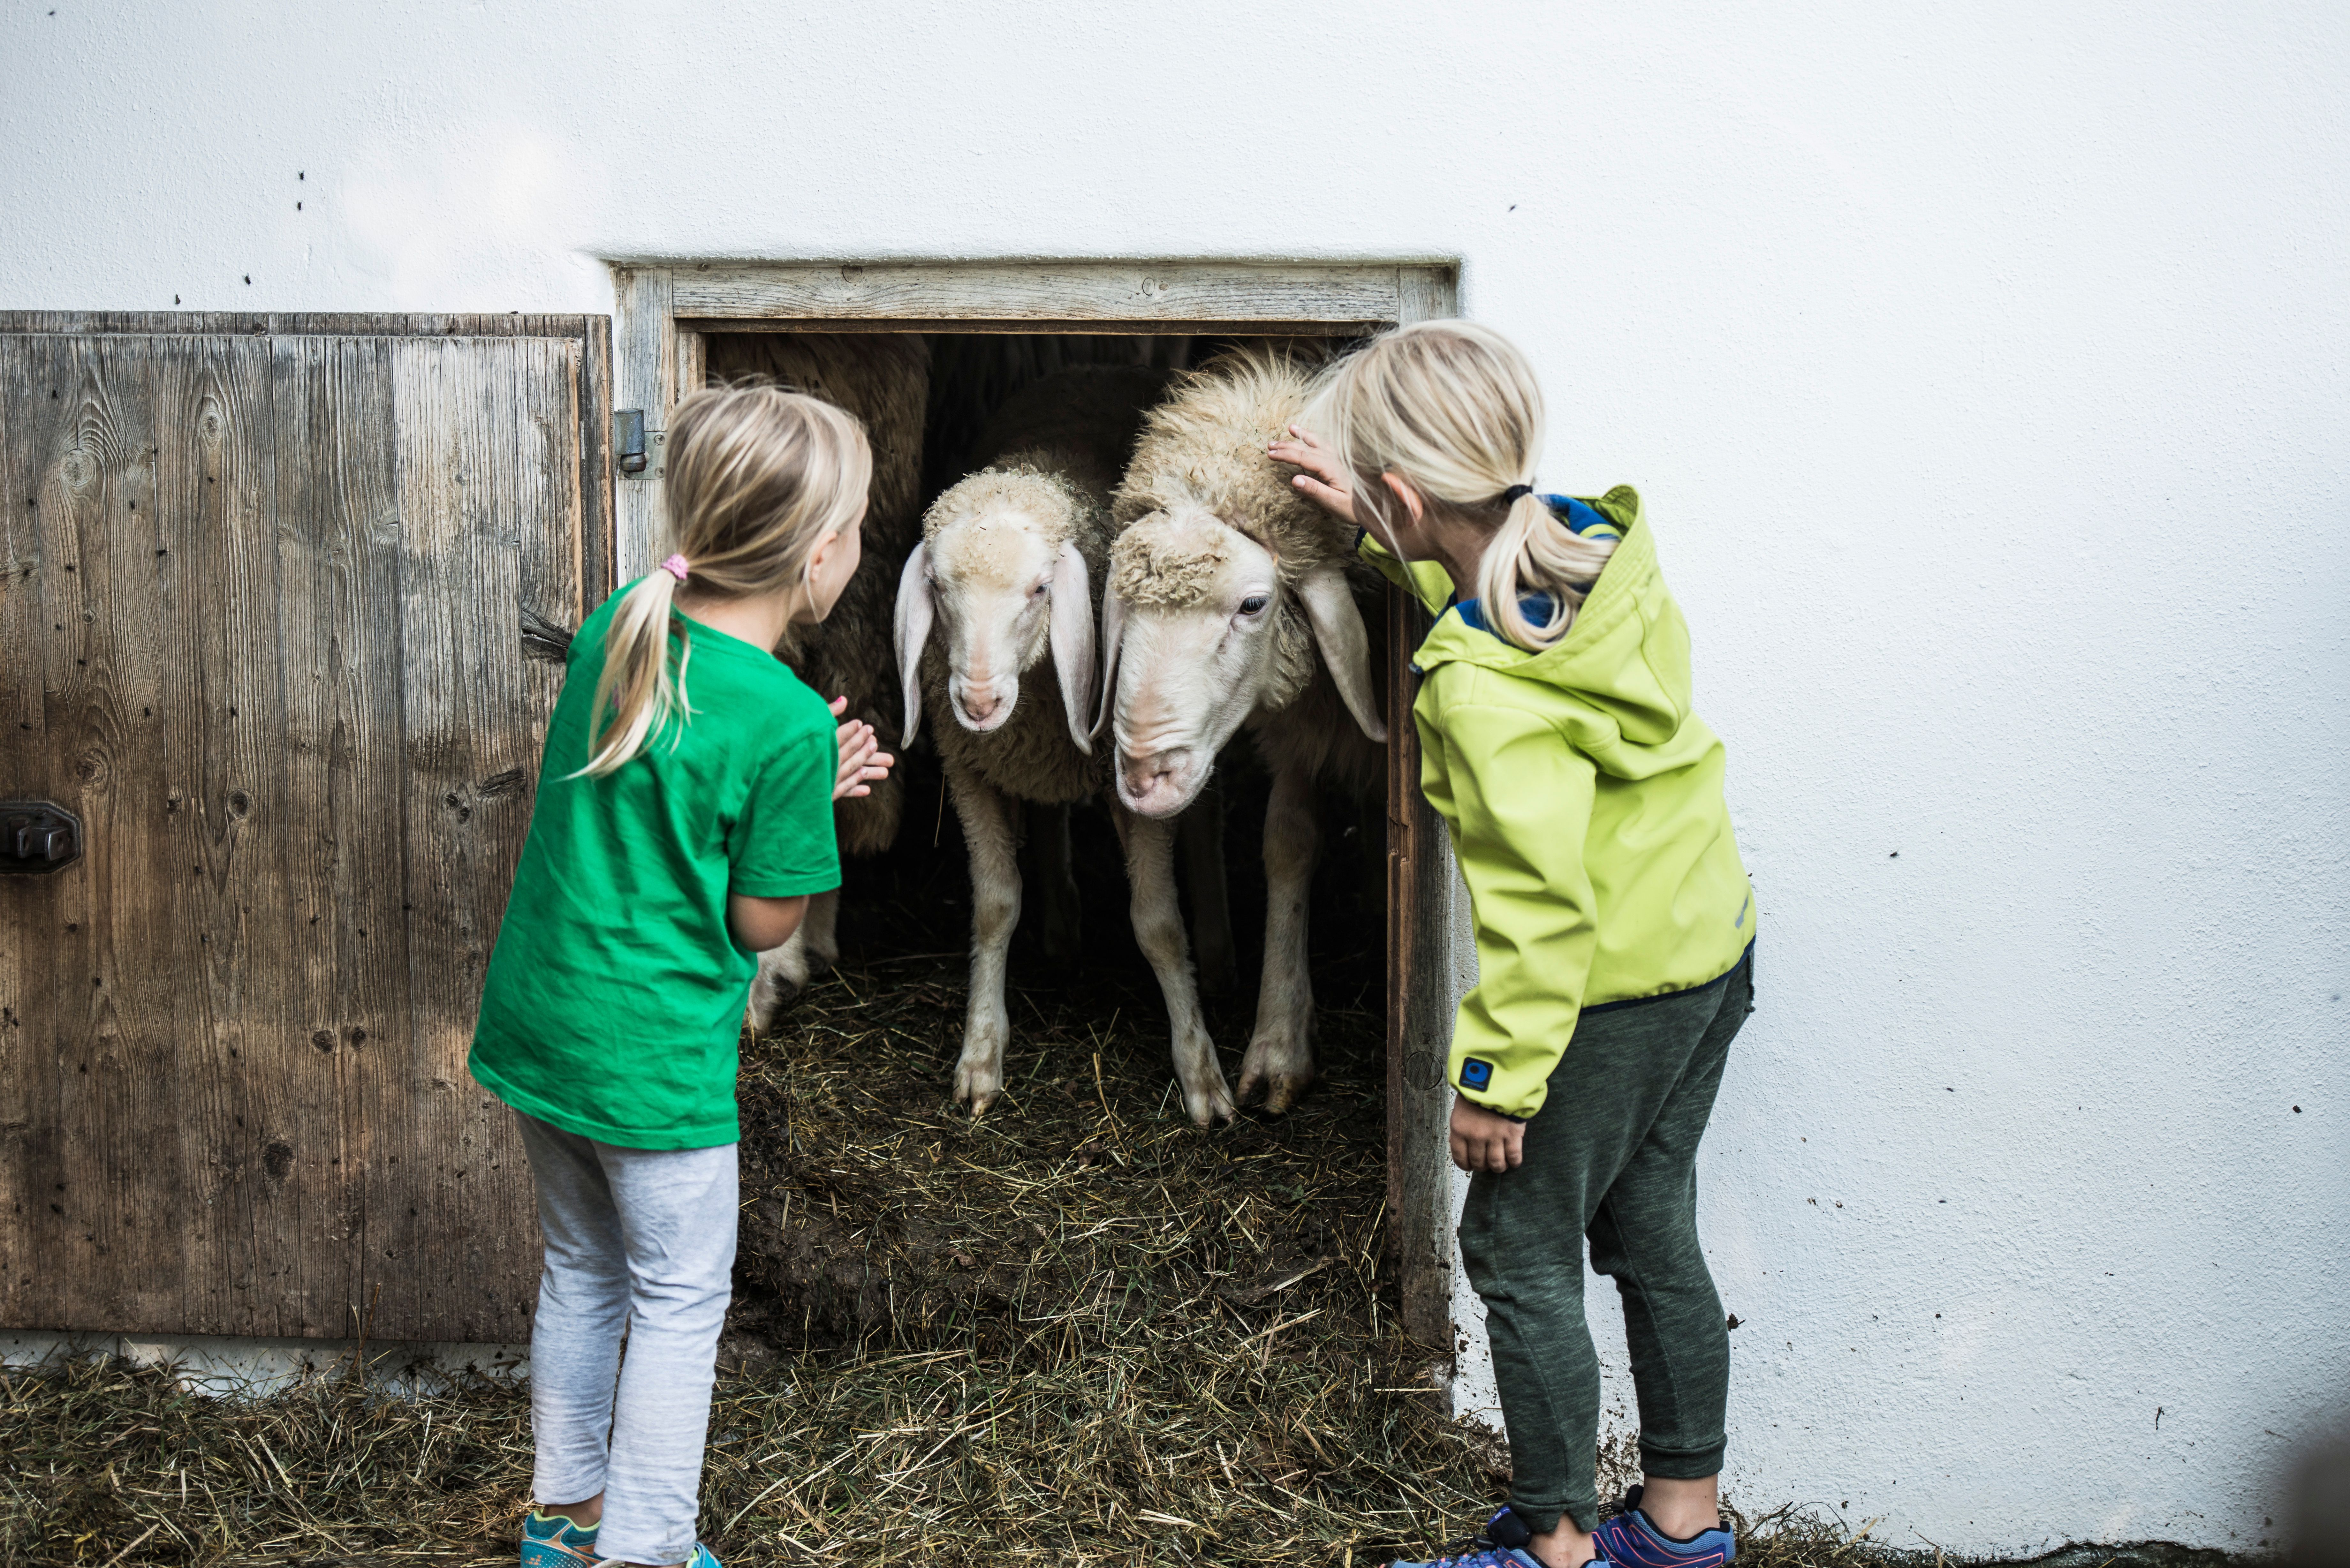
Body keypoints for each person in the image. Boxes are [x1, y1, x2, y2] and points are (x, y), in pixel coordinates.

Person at [1272, 321, 1755, 1568]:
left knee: (1511, 1239)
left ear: (1400, 492)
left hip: (1603, 988)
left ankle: (1551, 1546)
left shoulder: (1478, 698)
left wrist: (1494, 1082)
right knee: (1649, 1220)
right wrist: (1396, 535)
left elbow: (1542, 913)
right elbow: (1501, 607)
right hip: (1706, 944)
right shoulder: (1591, 545)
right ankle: (1681, 1533)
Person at [468, 384, 894, 1568]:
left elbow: (666, 785)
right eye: (859, 520)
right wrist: (810, 794)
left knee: (581, 1266)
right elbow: (762, 922)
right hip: (655, 1068)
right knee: (676, 1299)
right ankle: (648, 1549)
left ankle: (566, 1517)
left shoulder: (623, 620)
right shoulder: (788, 719)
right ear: (822, 558)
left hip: (545, 1030)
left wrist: (796, 781)